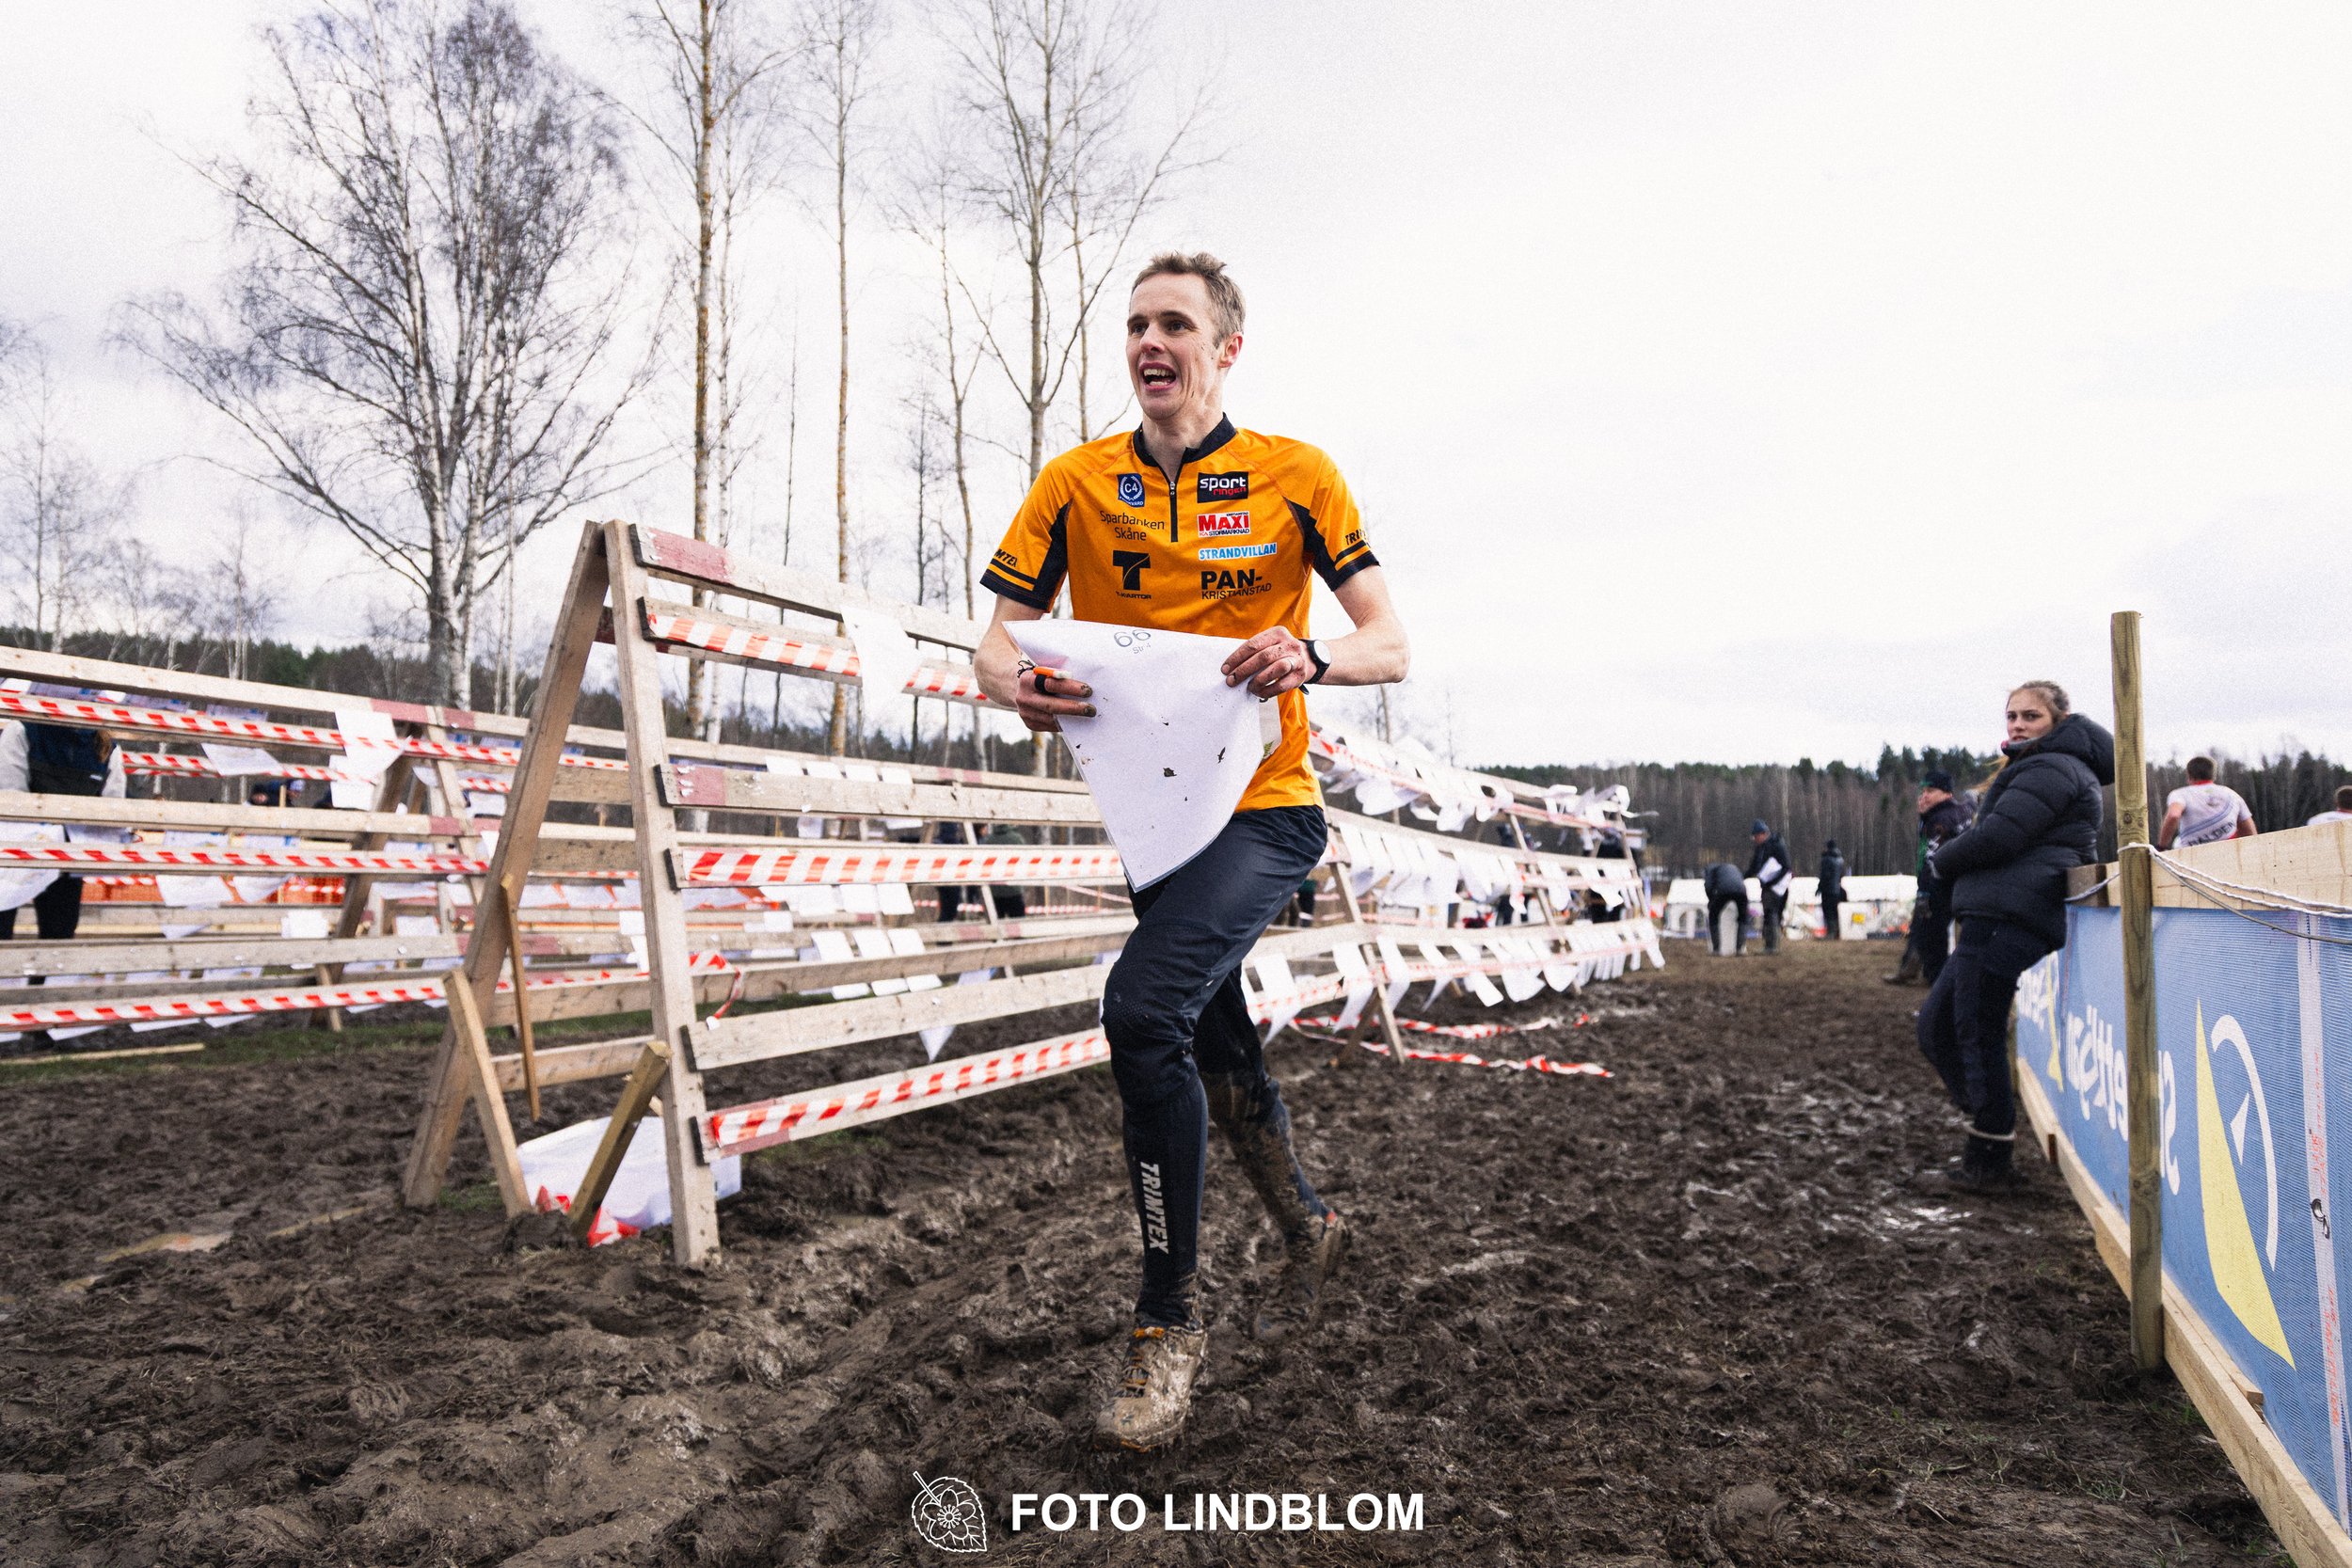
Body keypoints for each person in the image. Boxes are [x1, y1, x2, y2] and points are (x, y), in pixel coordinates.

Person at [973, 251, 1410, 1451]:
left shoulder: (1295, 475)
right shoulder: (1075, 483)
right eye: (1134, 326)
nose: (1149, 343)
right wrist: (1025, 686)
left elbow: (1390, 641)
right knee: (1209, 1041)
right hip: (1154, 823)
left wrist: (1308, 655)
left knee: (1139, 1011)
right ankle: (1309, 1223)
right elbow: (994, 647)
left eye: (1176, 324)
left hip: (1265, 809)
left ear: (1225, 348)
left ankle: (1166, 1327)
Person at [1918, 680, 2114, 1192]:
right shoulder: (2042, 765)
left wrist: (1943, 861)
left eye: (2031, 716)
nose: (2018, 725)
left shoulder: (2052, 767)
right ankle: (1991, 1122)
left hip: (2011, 914)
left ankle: (1990, 1156)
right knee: (1940, 1027)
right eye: (2012, 717)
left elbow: (2001, 835)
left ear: (2059, 721)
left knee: (1972, 1030)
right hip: (1999, 910)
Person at [0, 721, 125, 953]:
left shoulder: (108, 749)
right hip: (12, 849)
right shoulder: (21, 731)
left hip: (66, 857)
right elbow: (10, 796)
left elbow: (112, 807)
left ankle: (44, 988)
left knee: (59, 936)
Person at [1886, 769, 1972, 987]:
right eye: (1922, 791)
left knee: (1932, 931)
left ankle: (1935, 978)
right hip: (1957, 883)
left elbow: (1933, 859)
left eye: (1930, 791)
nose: (1923, 796)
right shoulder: (1954, 813)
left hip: (1943, 885)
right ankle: (1911, 967)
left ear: (1946, 793)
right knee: (1922, 927)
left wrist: (1925, 890)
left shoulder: (1941, 820)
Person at [2157, 755, 2254, 849]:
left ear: (2189, 775)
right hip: (2227, 852)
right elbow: (2249, 830)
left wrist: (2162, 846)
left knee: (2177, 843)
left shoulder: (2181, 794)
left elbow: (2173, 815)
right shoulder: (2231, 794)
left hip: (2191, 855)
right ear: (2213, 774)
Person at [1746, 820, 1793, 955]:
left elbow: (1787, 867)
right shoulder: (1760, 848)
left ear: (1763, 834)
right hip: (1767, 886)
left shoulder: (1777, 846)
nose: (1755, 839)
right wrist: (1742, 875)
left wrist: (1772, 882)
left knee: (1772, 913)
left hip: (1777, 888)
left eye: (1756, 836)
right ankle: (1770, 945)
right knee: (1769, 914)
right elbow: (1754, 867)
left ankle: (1772, 946)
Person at [1701, 861, 1748, 955]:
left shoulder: (1711, 870)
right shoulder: (1734, 868)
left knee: (1713, 917)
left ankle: (1716, 949)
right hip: (1741, 891)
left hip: (1723, 890)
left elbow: (1708, 886)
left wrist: (1711, 900)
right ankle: (1740, 949)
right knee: (1743, 919)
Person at [1818, 839, 1847, 941]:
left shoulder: (1826, 859)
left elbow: (1824, 876)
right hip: (1836, 890)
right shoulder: (1840, 859)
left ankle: (1830, 933)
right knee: (1835, 911)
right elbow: (1841, 875)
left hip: (1827, 890)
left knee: (1828, 911)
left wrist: (1819, 888)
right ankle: (1837, 933)